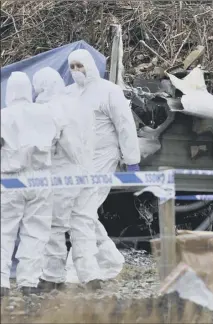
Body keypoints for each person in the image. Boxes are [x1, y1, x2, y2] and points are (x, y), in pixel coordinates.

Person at [64, 49, 140, 280]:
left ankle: (77, 270)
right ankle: (111, 260)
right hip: (78, 159)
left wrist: (131, 160)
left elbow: (124, 125)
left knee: (83, 211)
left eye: (80, 66)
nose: (77, 71)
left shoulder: (109, 91)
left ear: (90, 65)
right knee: (79, 211)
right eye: (73, 67)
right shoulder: (69, 93)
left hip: (104, 157)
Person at [31, 67, 106, 291]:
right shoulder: (78, 105)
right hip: (86, 174)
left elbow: (45, 144)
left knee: (53, 226)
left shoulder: (48, 109)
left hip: (61, 176)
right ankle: (92, 277)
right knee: (82, 224)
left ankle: (52, 278)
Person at [0, 72, 61, 297]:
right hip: (41, 179)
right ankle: (28, 282)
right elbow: (57, 138)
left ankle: (2, 282)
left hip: (10, 178)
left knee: (3, 231)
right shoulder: (46, 113)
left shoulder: (3, 116)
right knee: (36, 231)